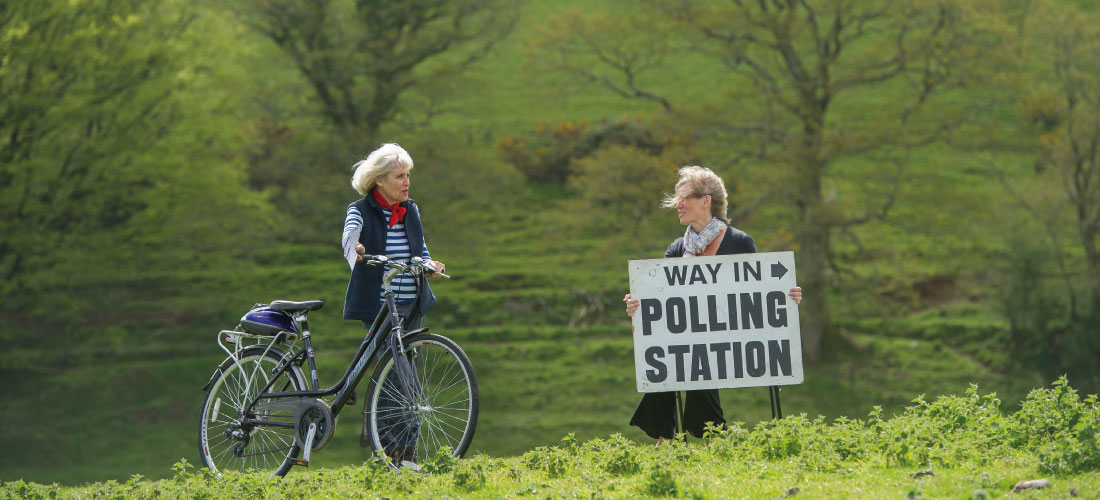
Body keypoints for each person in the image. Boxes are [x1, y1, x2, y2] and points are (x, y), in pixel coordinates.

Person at [623, 166, 802, 445]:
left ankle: (674, 437)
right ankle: (704, 436)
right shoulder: (676, 251)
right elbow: (662, 301)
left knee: (693, 357)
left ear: (706, 201)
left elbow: (759, 292)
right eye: (677, 199)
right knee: (683, 356)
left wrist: (786, 297)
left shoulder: (739, 243)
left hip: (730, 338)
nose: (677, 205)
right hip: (690, 340)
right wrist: (639, 305)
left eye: (685, 198)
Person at [340, 142, 445, 460]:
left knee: (400, 376)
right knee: (399, 380)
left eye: (408, 175)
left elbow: (420, 249)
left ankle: (394, 450)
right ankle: (397, 450)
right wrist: (356, 250)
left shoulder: (410, 210)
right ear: (380, 181)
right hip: (380, 308)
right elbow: (349, 238)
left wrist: (432, 266)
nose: (406, 182)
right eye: (399, 176)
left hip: (412, 306)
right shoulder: (359, 210)